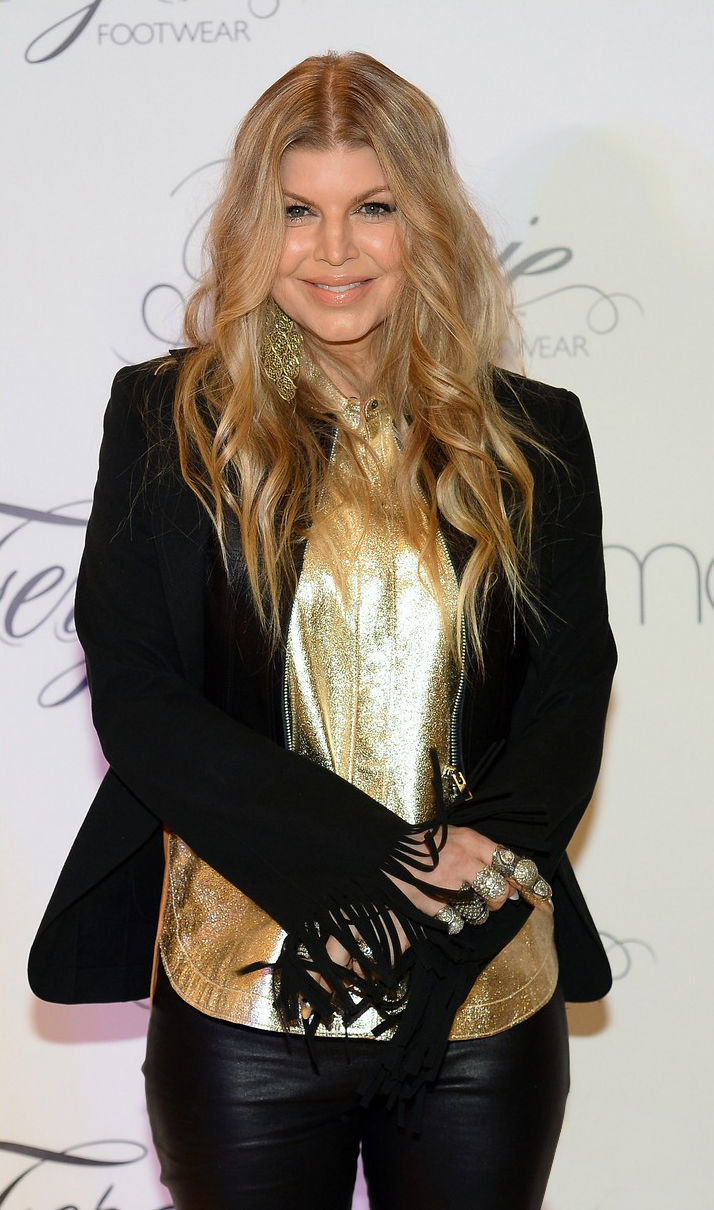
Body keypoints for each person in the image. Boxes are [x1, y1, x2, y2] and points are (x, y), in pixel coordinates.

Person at [28, 51, 617, 1210]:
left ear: (425, 222)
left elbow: (572, 682)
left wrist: (477, 858)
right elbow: (140, 693)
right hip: (243, 998)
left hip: (478, 992)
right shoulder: (170, 417)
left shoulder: (534, 432)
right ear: (256, 226)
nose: (334, 250)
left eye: (373, 208)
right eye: (299, 211)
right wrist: (389, 863)